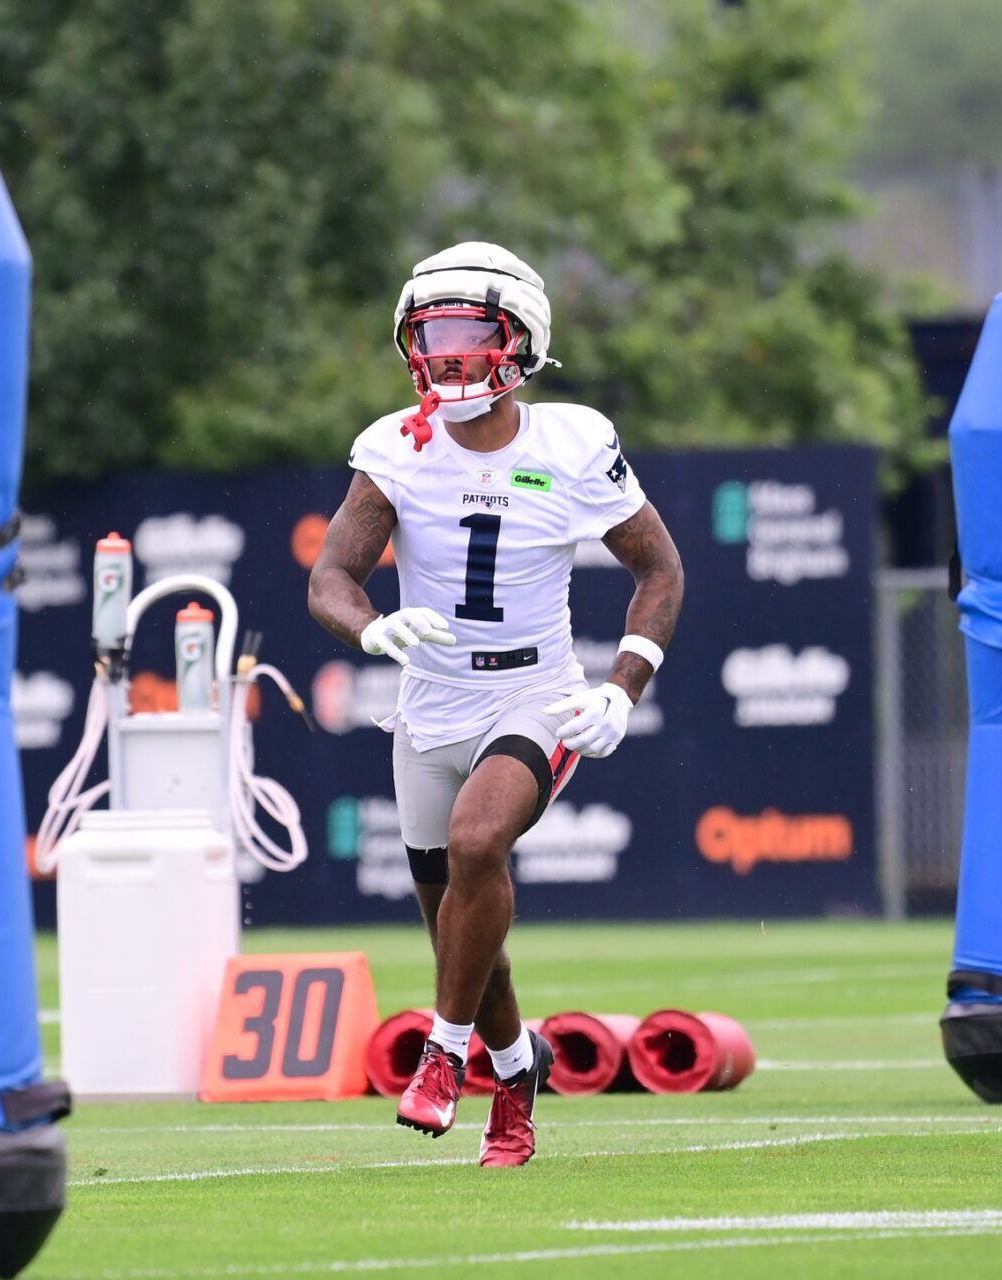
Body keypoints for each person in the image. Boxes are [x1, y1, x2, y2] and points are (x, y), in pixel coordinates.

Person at [307, 242, 685, 1167]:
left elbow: (660, 570)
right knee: (460, 928)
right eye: (431, 336)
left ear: (521, 340)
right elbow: (330, 577)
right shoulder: (396, 446)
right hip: (430, 701)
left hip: (534, 689)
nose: (449, 356)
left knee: (480, 845)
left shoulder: (571, 444)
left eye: (471, 334)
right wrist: (370, 631)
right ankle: (516, 1069)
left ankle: (444, 1056)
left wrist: (622, 687)